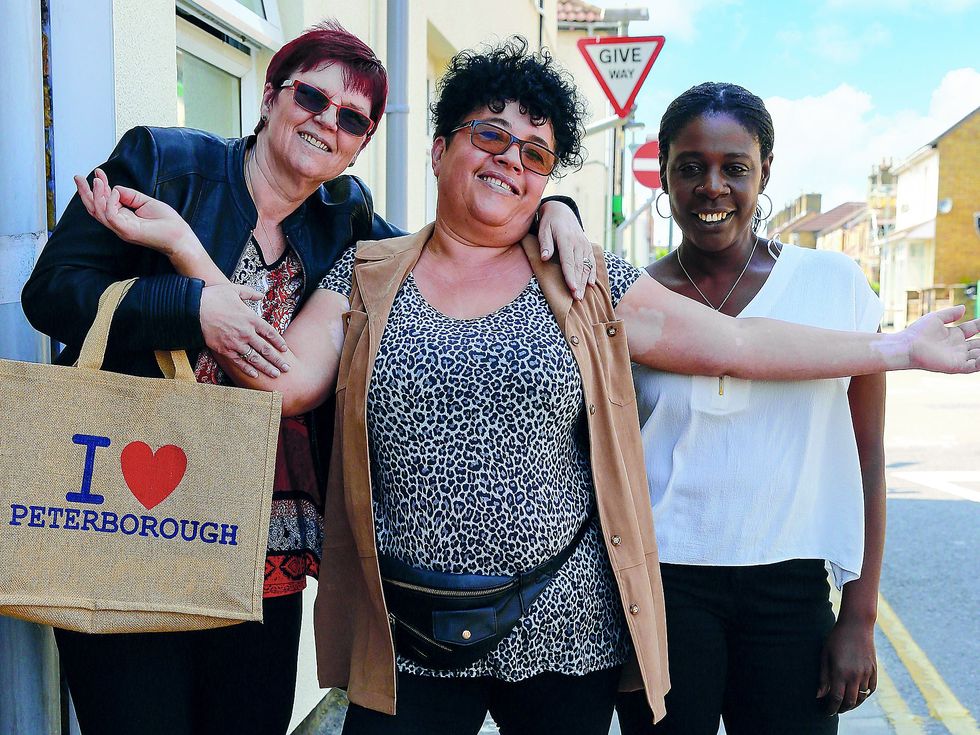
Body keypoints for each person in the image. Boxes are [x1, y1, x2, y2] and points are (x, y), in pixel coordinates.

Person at [73, 40, 979, 735]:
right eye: (491, 135)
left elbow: (738, 344)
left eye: (536, 154)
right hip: (409, 633)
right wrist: (188, 255)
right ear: (440, 149)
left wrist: (897, 347)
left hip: (564, 630)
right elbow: (283, 384)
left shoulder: (584, 279)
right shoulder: (368, 271)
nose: (511, 159)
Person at [19, 21, 588, 735]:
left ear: (362, 142)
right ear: (270, 96)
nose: (327, 122)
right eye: (312, 98)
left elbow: (450, 243)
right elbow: (51, 292)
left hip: (263, 541)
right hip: (126, 510)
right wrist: (190, 308)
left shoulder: (346, 220)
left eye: (352, 118)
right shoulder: (163, 164)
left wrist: (555, 210)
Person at [614, 83, 888, 734]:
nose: (712, 186)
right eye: (690, 166)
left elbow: (868, 458)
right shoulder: (632, 297)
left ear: (765, 171)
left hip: (790, 590)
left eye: (734, 166)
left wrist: (859, 614)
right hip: (662, 589)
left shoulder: (836, 286)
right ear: (665, 174)